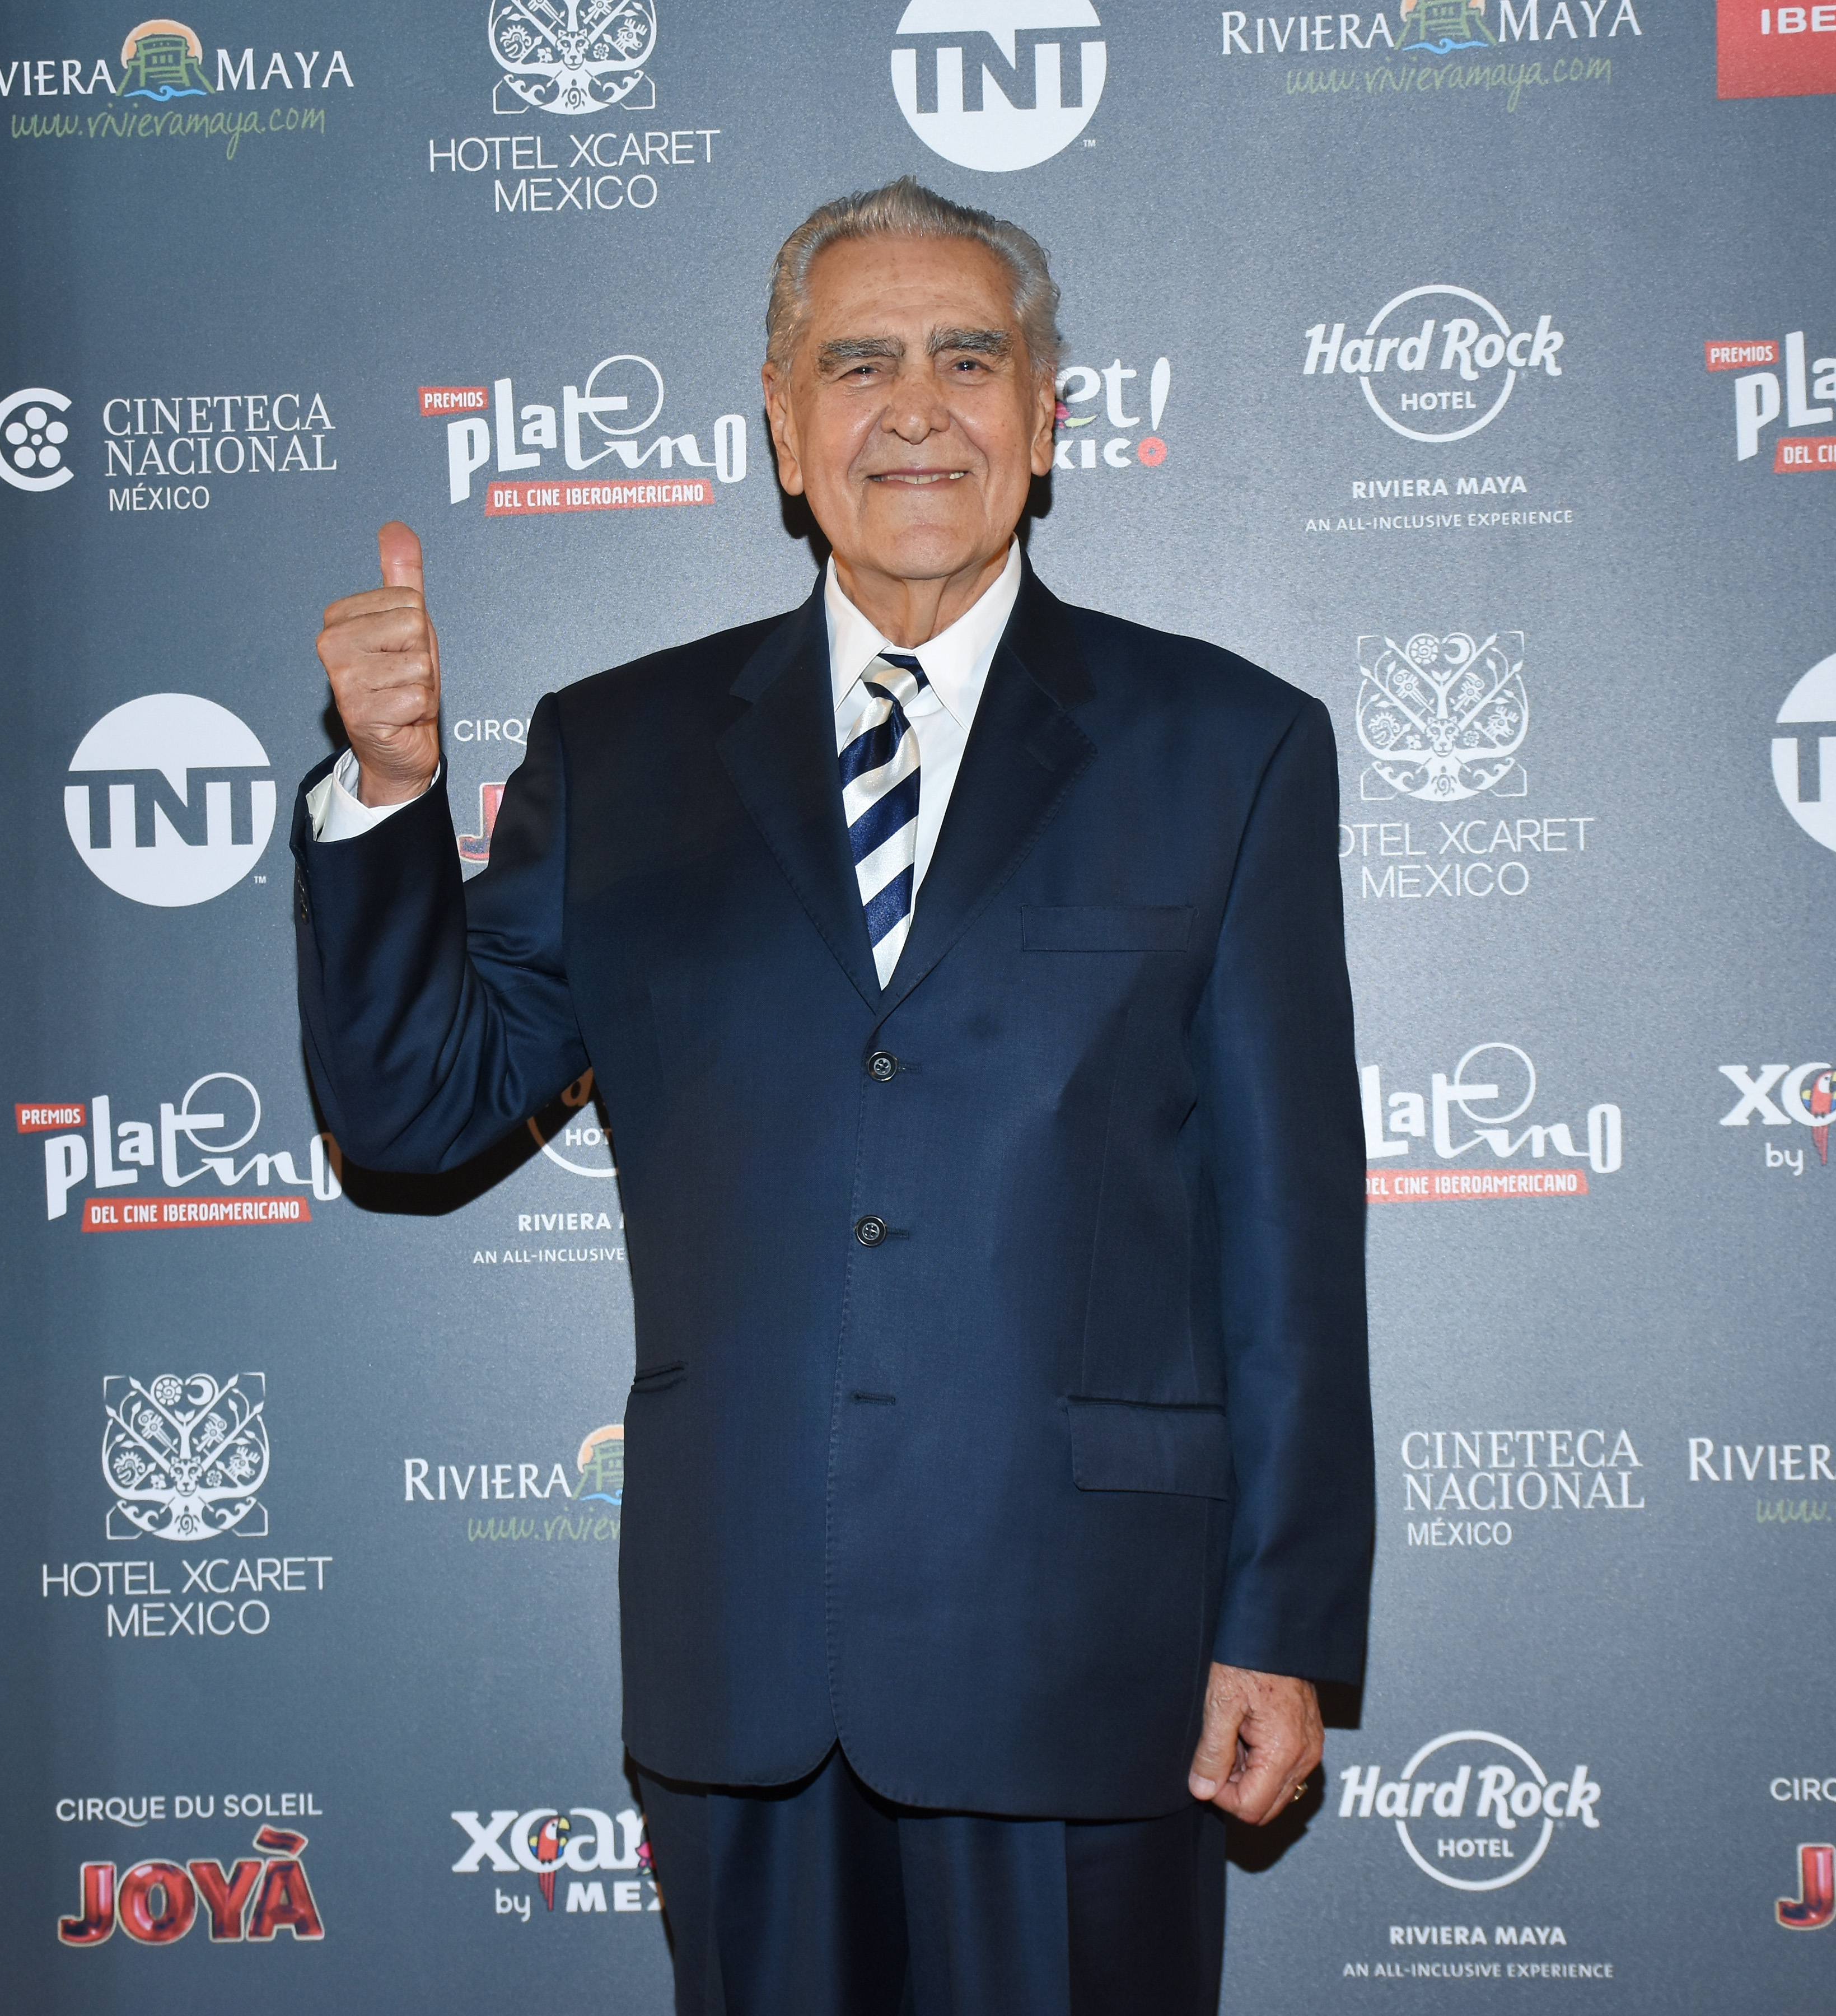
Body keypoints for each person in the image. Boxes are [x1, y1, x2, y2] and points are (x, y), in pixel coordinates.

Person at [297, 178, 1371, 2016]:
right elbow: (412, 1109)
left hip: (1087, 1654)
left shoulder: (1232, 745)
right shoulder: (618, 751)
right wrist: (387, 794)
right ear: (784, 433)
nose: (914, 403)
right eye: (855, 362)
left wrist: (1278, 1624)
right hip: (749, 1651)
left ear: (1048, 416)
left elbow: (1287, 1230)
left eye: (969, 356)